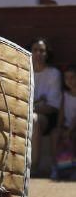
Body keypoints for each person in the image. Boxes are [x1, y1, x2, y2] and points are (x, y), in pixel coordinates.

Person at [30, 37, 62, 175]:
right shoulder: (25, 71)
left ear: (47, 53)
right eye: (35, 50)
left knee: (34, 119)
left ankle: (34, 167)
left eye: (42, 51)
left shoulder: (53, 74)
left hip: (47, 119)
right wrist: (38, 103)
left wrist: (31, 107)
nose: (38, 53)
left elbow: (52, 106)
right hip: (25, 114)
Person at [53, 64, 76, 180]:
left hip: (73, 127)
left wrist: (69, 131)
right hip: (67, 127)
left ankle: (73, 168)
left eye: (72, 77)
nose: (69, 81)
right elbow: (61, 115)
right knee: (56, 135)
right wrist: (59, 128)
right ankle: (56, 167)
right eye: (67, 78)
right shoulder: (65, 95)